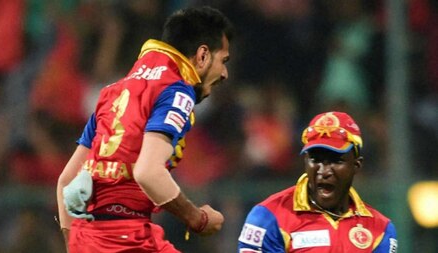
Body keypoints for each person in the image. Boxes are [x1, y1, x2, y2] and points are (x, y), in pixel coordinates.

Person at [56, 6, 234, 253]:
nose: (224, 73)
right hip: (126, 239)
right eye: (223, 61)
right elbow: (148, 173)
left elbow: (66, 181)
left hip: (89, 237)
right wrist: (198, 218)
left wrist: (74, 245)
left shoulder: (114, 91)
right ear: (202, 56)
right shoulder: (175, 89)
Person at [237, 111, 397, 253]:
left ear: (356, 165)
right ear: (305, 161)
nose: (323, 171)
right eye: (315, 159)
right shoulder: (267, 217)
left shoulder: (380, 229)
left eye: (336, 161)